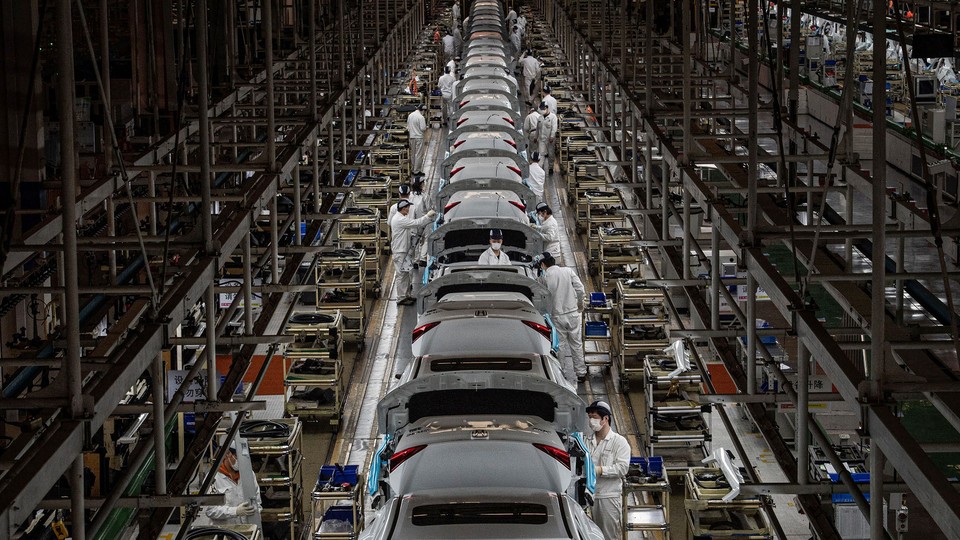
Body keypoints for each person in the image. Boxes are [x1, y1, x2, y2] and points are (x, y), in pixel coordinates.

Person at [537, 252, 586, 382]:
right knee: (576, 344)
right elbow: (580, 289)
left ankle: (561, 374)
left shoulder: (545, 277)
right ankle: (581, 373)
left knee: (561, 346)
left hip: (557, 315)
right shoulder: (568, 271)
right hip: (573, 313)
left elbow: (540, 297)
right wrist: (580, 304)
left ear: (543, 264)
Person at [585, 400, 631, 540]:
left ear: (605, 419)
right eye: (590, 417)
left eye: (595, 417)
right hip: (587, 496)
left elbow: (622, 468)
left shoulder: (619, 442)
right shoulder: (586, 440)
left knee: (607, 536)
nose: (591, 421)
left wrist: (600, 470)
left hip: (608, 497)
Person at [200, 443, 262, 526]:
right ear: (227, 454)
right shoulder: (213, 478)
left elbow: (257, 501)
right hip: (223, 531)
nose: (241, 461)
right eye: (237, 457)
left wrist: (256, 513)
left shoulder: (249, 474)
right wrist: (235, 511)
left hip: (246, 529)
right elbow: (210, 510)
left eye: (244, 458)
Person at [390, 200, 436, 305]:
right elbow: (416, 223)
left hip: (403, 251)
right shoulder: (399, 219)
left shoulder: (401, 218)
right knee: (401, 275)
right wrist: (428, 217)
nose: (409, 209)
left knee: (406, 273)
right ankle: (401, 298)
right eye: (407, 207)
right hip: (399, 252)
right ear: (403, 208)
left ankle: (406, 295)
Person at [536, 102, 558, 175]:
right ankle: (540, 168)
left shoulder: (553, 117)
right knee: (541, 154)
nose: (542, 110)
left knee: (551, 154)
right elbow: (537, 129)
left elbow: (554, 128)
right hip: (542, 139)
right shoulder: (540, 117)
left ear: (547, 108)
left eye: (544, 109)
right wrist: (536, 137)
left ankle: (550, 167)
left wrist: (552, 136)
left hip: (550, 140)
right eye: (541, 109)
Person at [406, 104, 427, 176]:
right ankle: (417, 171)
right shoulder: (421, 117)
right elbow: (423, 128)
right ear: (422, 110)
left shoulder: (410, 115)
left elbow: (408, 126)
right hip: (419, 137)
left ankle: (412, 169)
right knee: (418, 154)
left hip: (412, 137)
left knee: (413, 154)